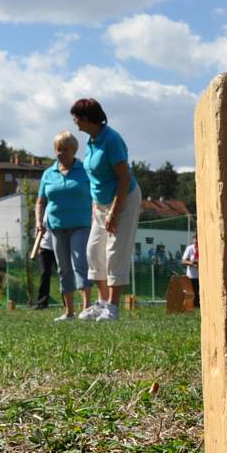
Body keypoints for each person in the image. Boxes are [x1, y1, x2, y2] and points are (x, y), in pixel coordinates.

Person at [70, 98, 142, 322]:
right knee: (93, 250)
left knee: (114, 251)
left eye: (76, 117)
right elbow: (95, 177)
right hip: (101, 205)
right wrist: (96, 204)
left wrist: (113, 212)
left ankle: (112, 307)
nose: (74, 122)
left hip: (123, 200)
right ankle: (101, 303)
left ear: (87, 118)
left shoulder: (111, 140)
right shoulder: (92, 141)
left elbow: (124, 178)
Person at [35, 131, 93, 321]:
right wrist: (38, 221)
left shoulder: (85, 170)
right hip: (56, 227)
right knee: (63, 268)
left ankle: (86, 308)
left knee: (80, 263)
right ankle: (68, 311)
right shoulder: (48, 174)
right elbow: (40, 201)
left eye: (65, 149)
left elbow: (97, 194)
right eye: (58, 149)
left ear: (74, 150)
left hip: (80, 225)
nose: (61, 153)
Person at [35, 228, 56, 309]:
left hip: (60, 246)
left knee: (63, 273)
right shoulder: (42, 217)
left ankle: (67, 303)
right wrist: (38, 246)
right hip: (45, 247)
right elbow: (38, 230)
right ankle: (42, 303)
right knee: (44, 273)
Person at [182, 234, 200, 308]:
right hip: (192, 276)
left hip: (202, 276)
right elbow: (183, 261)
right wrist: (192, 263)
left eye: (197, 241)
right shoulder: (190, 248)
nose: (196, 242)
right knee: (193, 292)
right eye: (195, 240)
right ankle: (194, 307)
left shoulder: (203, 248)